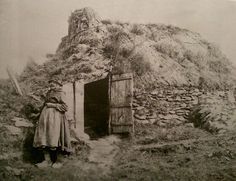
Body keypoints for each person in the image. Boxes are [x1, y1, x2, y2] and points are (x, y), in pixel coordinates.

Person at [33, 78, 72, 168]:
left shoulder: (61, 93)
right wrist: (38, 115)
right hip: (45, 117)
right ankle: (45, 161)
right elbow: (44, 104)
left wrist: (52, 105)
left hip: (55, 118)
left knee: (52, 138)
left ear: (58, 84)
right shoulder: (49, 93)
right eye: (50, 84)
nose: (51, 86)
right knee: (42, 138)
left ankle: (55, 161)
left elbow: (65, 107)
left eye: (53, 84)